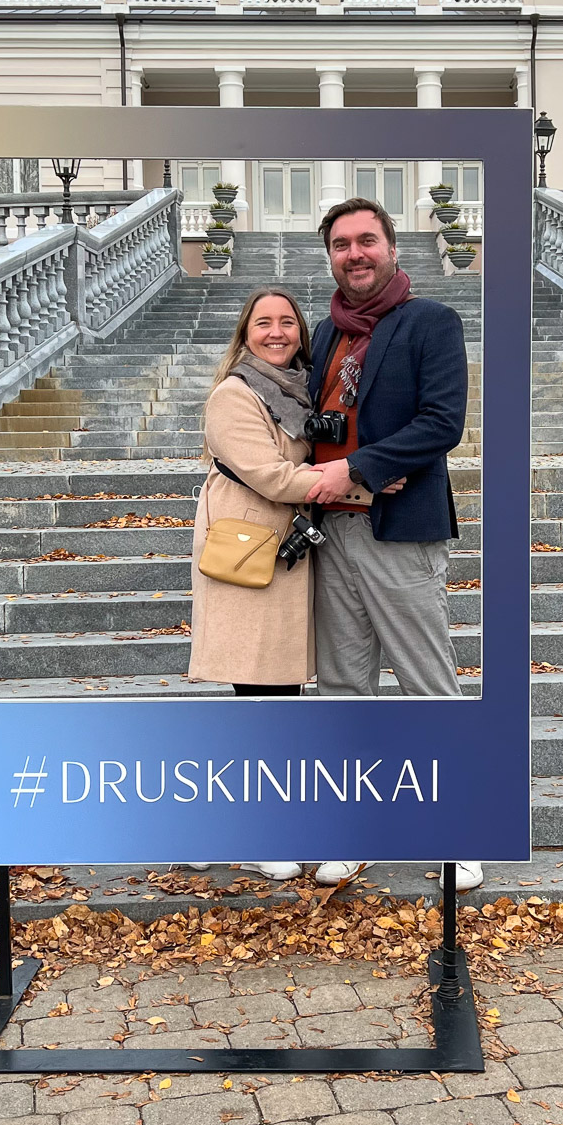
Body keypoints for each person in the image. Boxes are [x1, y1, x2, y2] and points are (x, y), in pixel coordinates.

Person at [303, 197, 483, 894]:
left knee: (426, 685)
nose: (356, 254)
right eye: (343, 244)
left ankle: (460, 830)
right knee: (345, 687)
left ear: (391, 247)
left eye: (366, 240)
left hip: (398, 529)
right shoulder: (325, 333)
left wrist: (360, 465)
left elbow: (442, 421)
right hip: (332, 532)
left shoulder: (429, 323)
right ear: (331, 256)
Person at [187, 287, 322, 880]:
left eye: (287, 322)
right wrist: (352, 483)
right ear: (245, 334)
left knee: (276, 697)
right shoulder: (235, 394)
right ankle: (250, 832)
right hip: (249, 554)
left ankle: (233, 824)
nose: (276, 332)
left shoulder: (301, 389)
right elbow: (269, 474)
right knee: (259, 695)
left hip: (282, 552)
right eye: (263, 322)